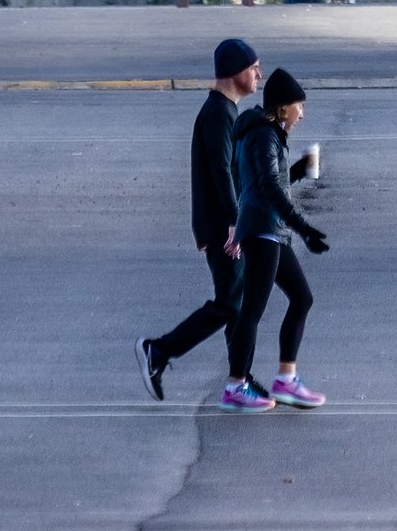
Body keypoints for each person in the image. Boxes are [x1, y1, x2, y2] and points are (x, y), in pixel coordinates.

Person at [138, 36, 261, 400]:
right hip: (224, 227)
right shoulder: (219, 113)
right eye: (254, 68)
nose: (259, 75)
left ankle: (240, 380)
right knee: (229, 304)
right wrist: (235, 223)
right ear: (237, 72)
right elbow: (220, 170)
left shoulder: (224, 111)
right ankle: (159, 350)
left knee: (235, 305)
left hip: (225, 224)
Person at [222, 66, 329, 411]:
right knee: (252, 311)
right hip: (266, 231)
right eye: (299, 106)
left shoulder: (262, 133)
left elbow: (254, 182)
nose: (303, 113)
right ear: (283, 107)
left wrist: (295, 170)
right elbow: (267, 189)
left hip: (266, 229)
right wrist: (305, 228)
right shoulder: (264, 135)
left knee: (302, 298)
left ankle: (286, 380)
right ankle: (236, 386)